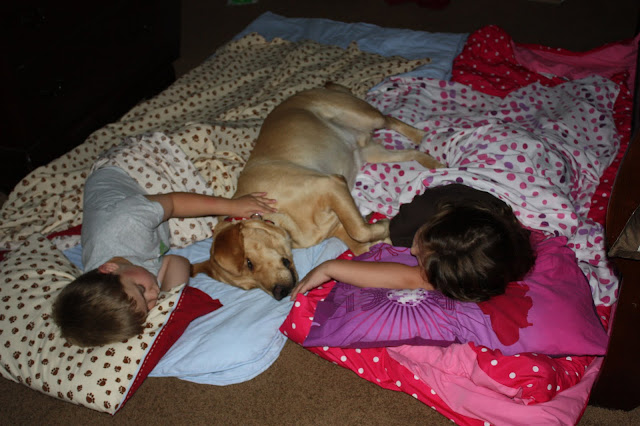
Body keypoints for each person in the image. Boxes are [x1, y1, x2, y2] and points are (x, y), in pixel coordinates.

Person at [52, 166, 276, 347]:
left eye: (142, 290)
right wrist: (169, 298)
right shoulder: (124, 279)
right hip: (128, 213)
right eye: (148, 305)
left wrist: (233, 206)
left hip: (126, 173)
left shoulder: (126, 223)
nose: (153, 295)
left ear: (109, 268)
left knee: (212, 192)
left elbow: (174, 203)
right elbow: (177, 262)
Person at [290, 183, 535, 303]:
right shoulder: (419, 214)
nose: (412, 250)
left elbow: (413, 279)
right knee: (398, 230)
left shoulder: (491, 258)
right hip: (442, 202)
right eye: (421, 243)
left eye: (420, 258)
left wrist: (330, 268)